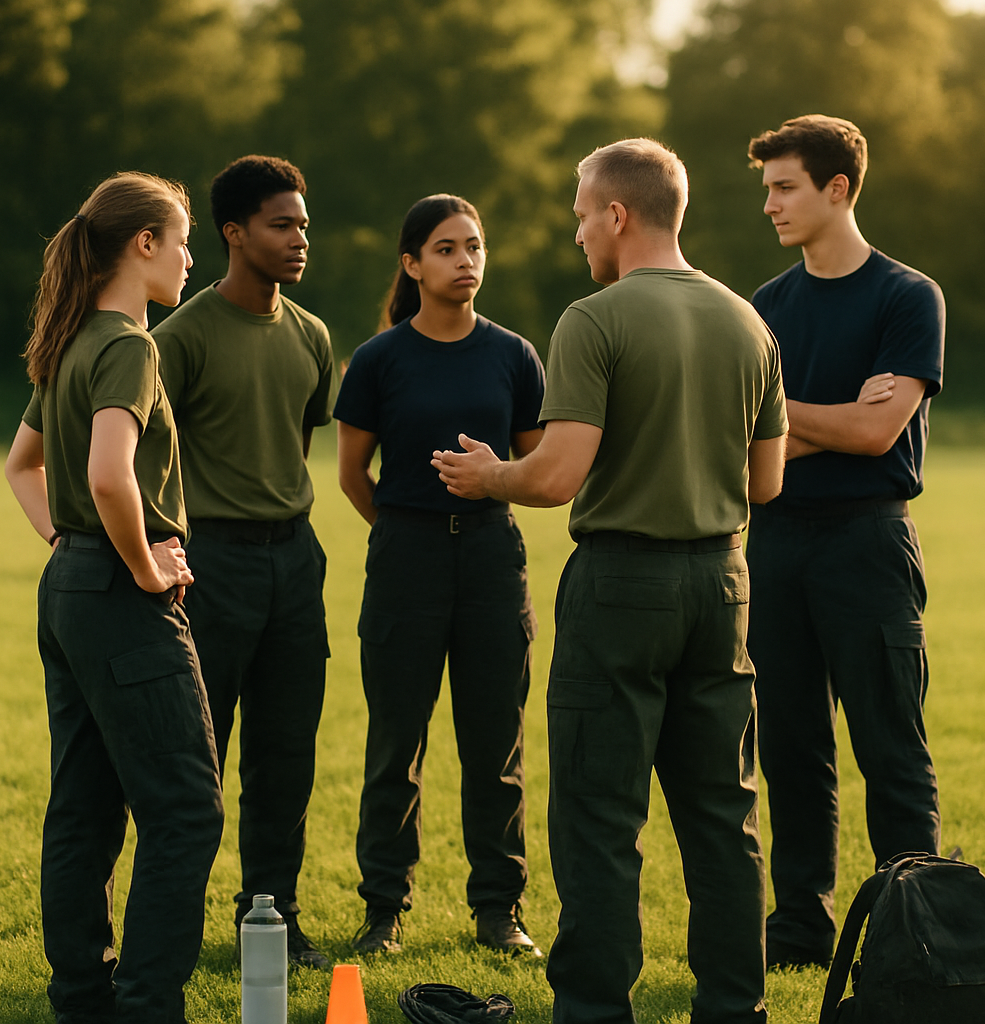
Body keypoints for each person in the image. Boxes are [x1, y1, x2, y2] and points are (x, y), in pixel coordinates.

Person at [433, 139, 788, 1024]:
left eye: (583, 212)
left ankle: (594, 1010)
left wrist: (490, 479)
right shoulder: (749, 322)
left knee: (598, 817)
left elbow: (553, 477)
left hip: (622, 586)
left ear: (620, 215)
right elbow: (768, 481)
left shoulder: (594, 319)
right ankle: (735, 1007)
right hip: (724, 584)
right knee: (723, 815)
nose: (577, 231)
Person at [4, 172, 224, 1023]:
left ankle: (82, 1004)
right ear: (143, 245)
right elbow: (106, 473)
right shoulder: (130, 344)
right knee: (185, 813)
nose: (188, 256)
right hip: (119, 599)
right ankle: (145, 1008)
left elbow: (23, 466)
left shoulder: (70, 341)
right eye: (181, 239)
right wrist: (140, 566)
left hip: (69, 593)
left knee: (84, 811)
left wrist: (68, 546)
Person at [745, 114, 945, 969]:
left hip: (868, 542)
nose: (770, 205)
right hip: (775, 542)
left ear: (838, 188)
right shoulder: (762, 309)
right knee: (791, 747)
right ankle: (799, 935)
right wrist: (838, 420)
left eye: (784, 187)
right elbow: (749, 441)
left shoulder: (908, 296)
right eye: (766, 189)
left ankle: (917, 932)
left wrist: (799, 425)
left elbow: (877, 436)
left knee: (890, 746)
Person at [334, 194, 546, 956]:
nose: (466, 261)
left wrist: (492, 481)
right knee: (396, 746)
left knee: (497, 748)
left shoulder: (514, 354)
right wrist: (405, 528)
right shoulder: (379, 359)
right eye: (448, 248)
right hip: (406, 561)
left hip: (492, 557)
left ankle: (499, 912)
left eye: (475, 247)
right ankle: (384, 910)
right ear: (412, 264)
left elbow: (537, 466)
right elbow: (353, 474)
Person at [152, 155, 335, 969]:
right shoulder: (178, 338)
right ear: (234, 234)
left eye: (302, 224)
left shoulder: (313, 336)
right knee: (200, 754)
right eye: (281, 225)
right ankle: (174, 928)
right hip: (210, 564)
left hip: (295, 562)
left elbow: (294, 445)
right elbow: (148, 459)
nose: (300, 240)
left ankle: (273, 917)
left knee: (286, 752)